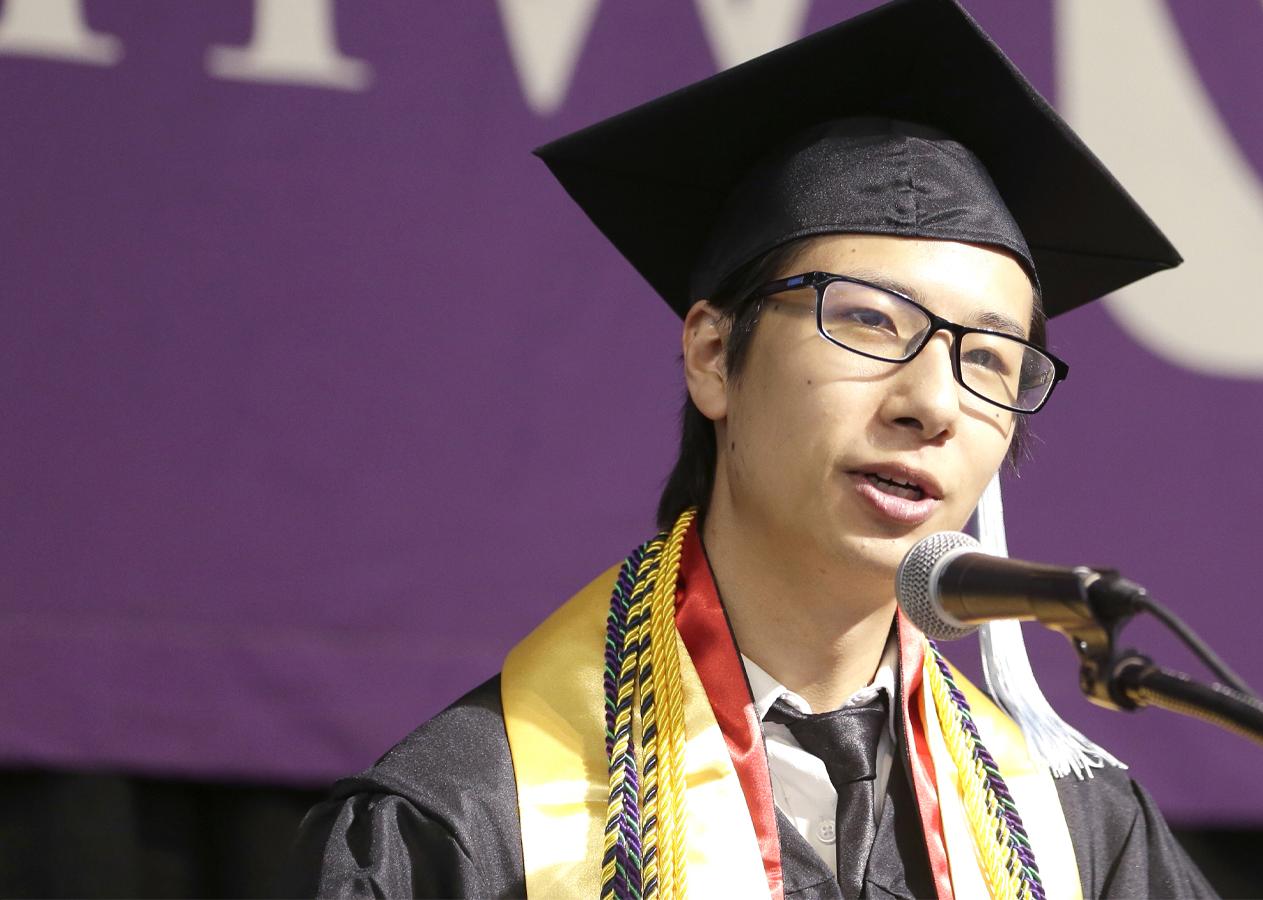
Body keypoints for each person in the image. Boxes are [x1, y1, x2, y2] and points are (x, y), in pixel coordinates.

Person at [285, 1, 1214, 896]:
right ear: (713, 355)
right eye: (868, 321)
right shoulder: (477, 821)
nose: (932, 402)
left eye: (991, 358)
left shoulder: (1078, 838)